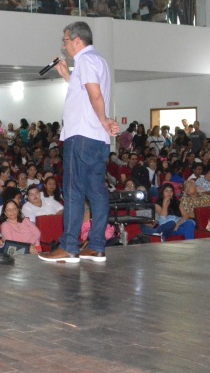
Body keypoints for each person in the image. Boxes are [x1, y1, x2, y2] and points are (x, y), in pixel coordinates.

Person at [40, 21, 119, 264]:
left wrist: (104, 118)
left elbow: (94, 93)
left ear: (77, 40)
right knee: (96, 191)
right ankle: (96, 246)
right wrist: (67, 76)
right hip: (97, 139)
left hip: (81, 135)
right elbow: (85, 93)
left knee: (73, 191)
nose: (63, 47)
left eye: (65, 41)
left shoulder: (85, 60)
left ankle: (69, 246)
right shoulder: (99, 60)